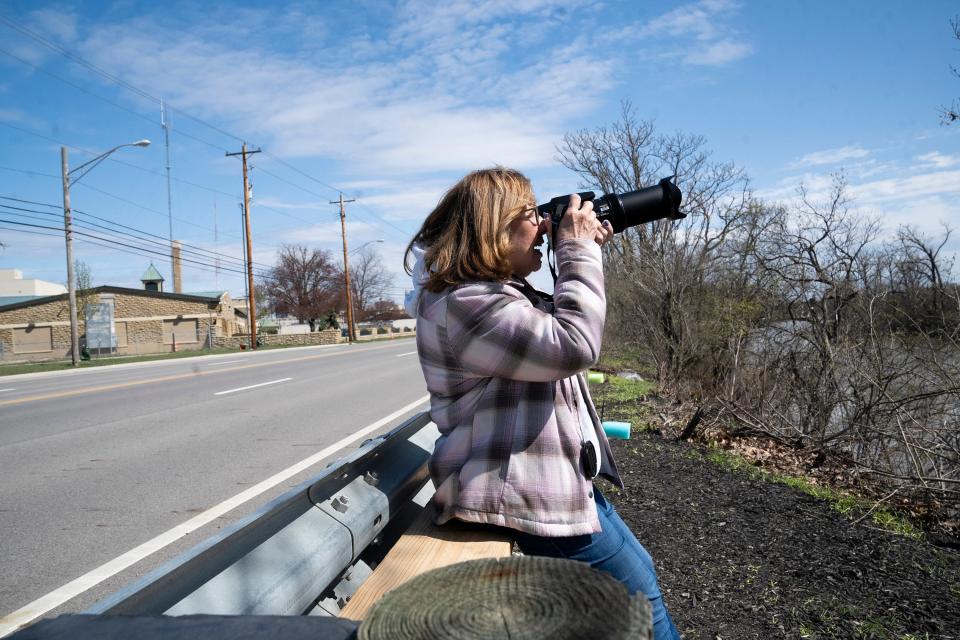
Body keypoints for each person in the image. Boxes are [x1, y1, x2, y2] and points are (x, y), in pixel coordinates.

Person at [404, 167, 680, 640]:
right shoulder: (465, 304)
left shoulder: (493, 296)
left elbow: (565, 327)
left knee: (640, 592)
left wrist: (585, 250)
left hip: (546, 488)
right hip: (515, 495)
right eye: (531, 215)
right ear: (493, 227)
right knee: (638, 614)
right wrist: (576, 250)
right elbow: (574, 343)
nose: (544, 225)